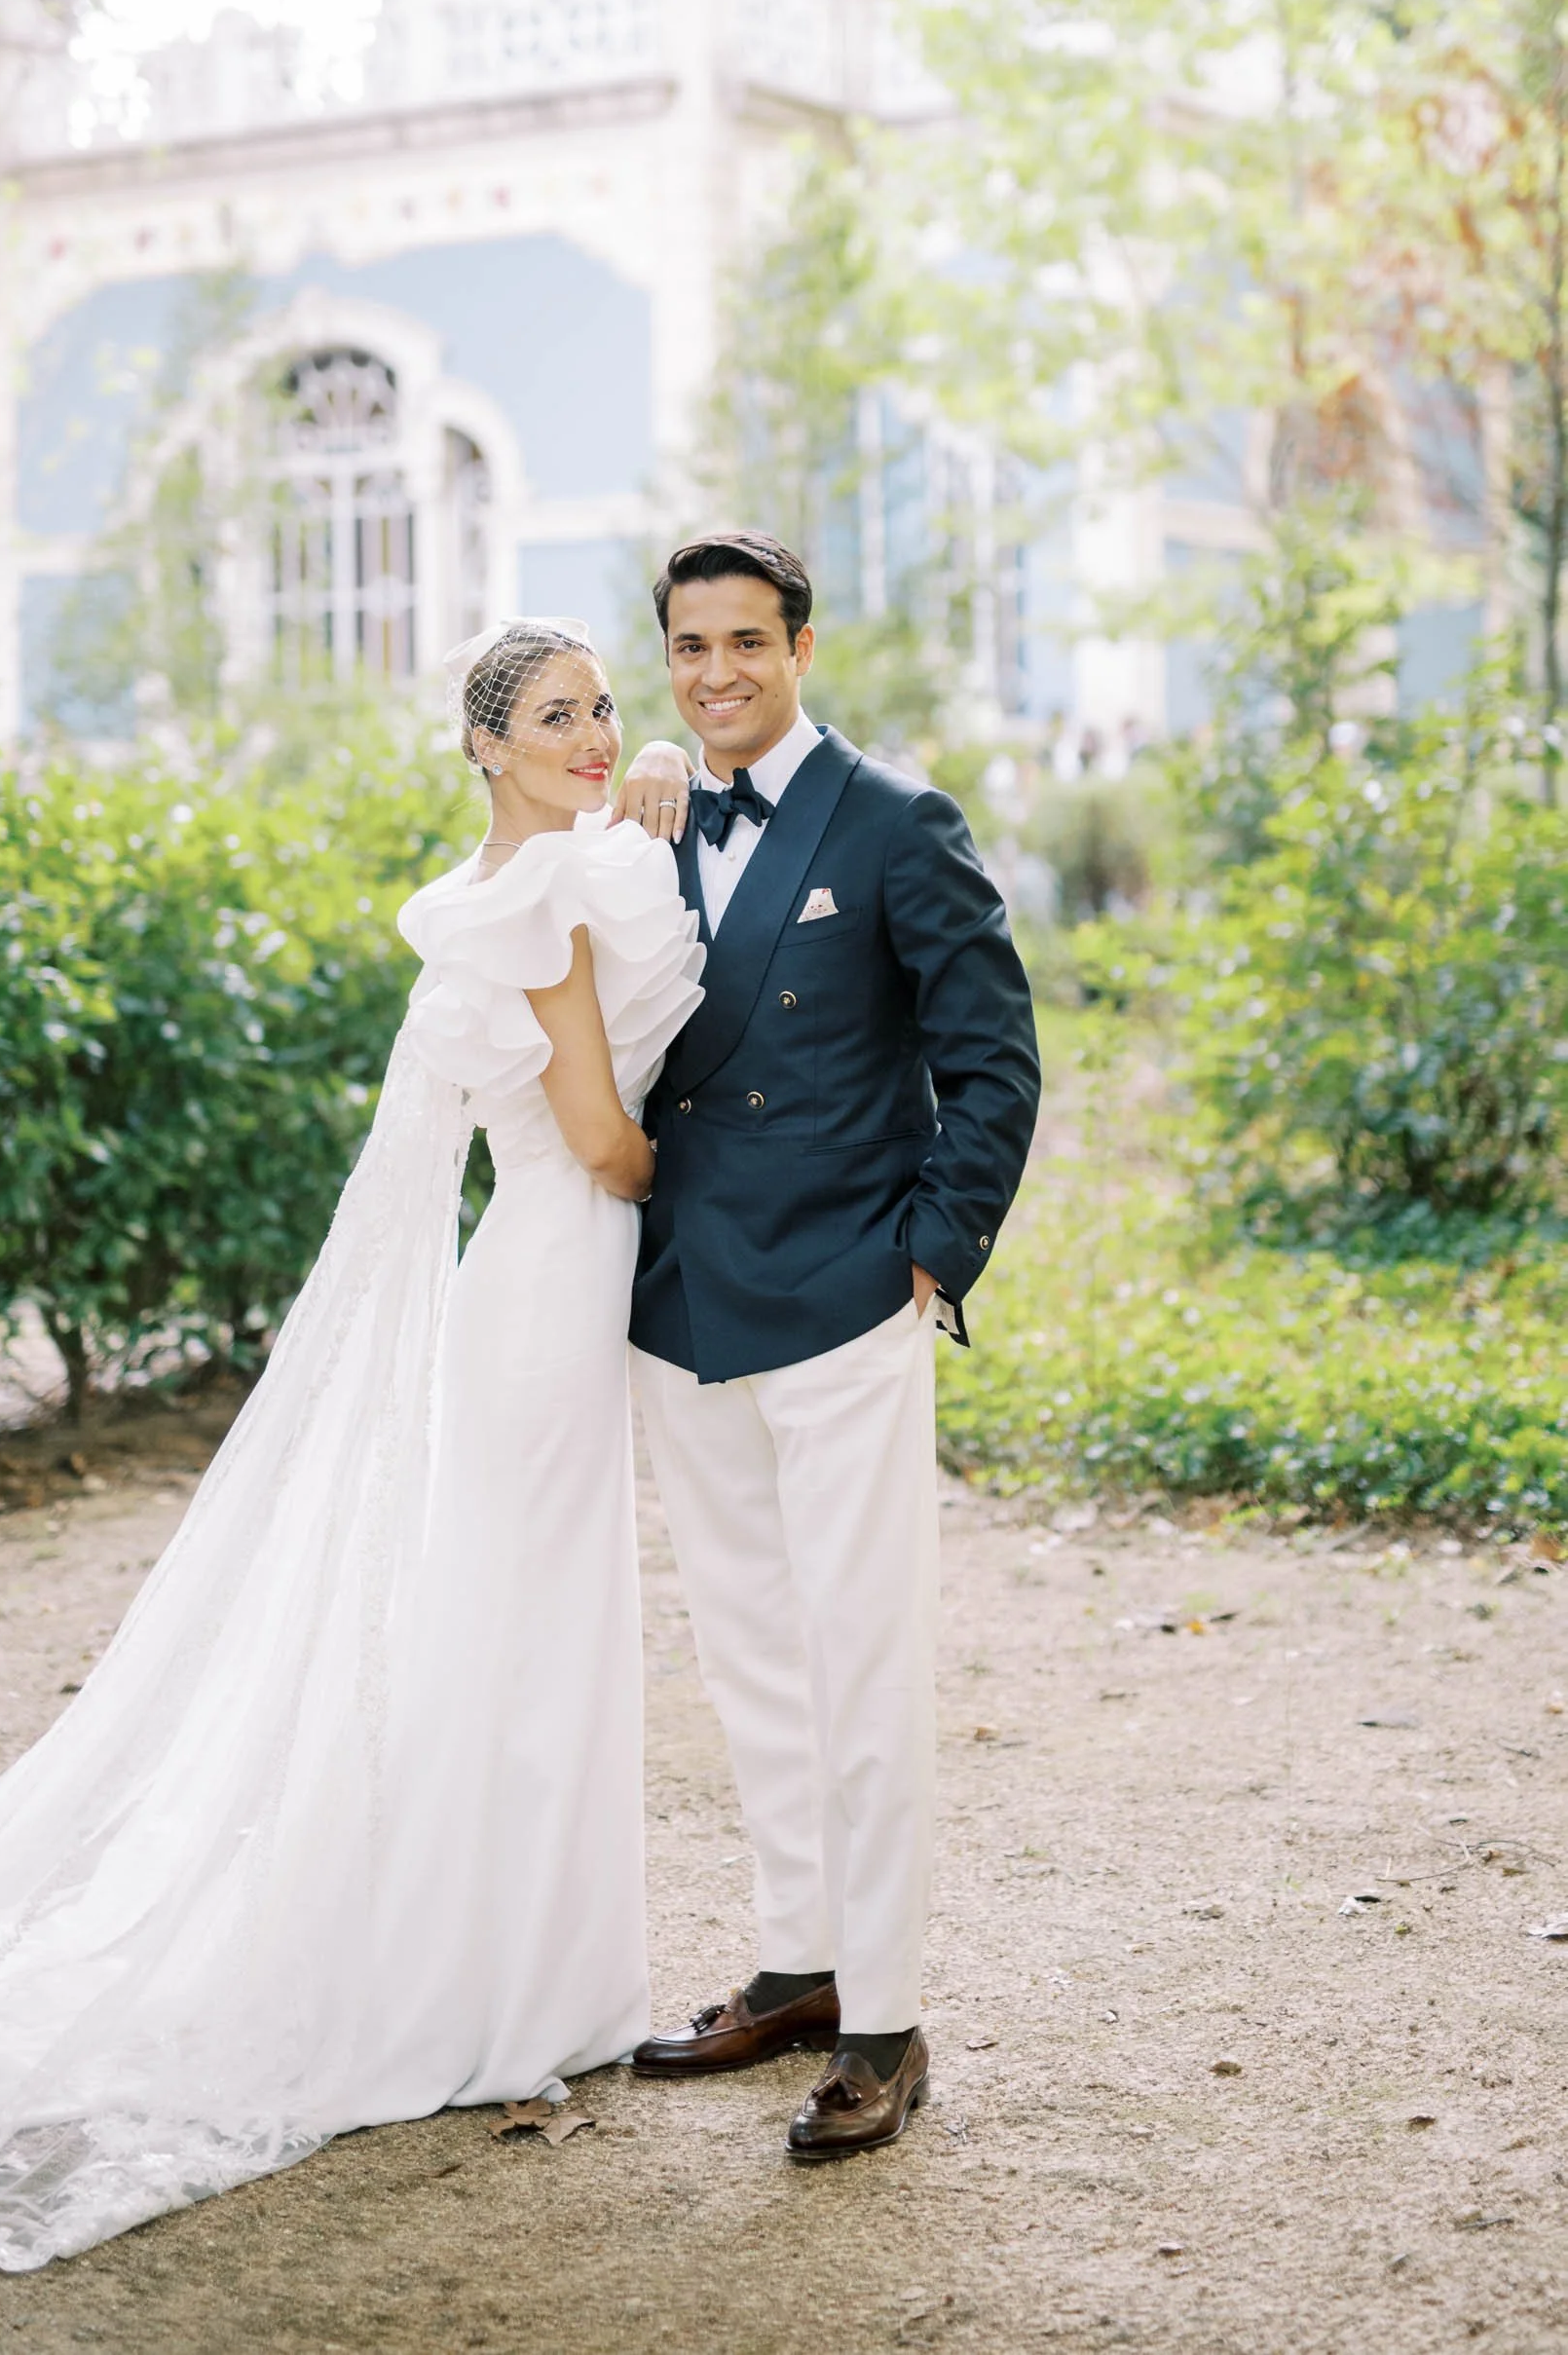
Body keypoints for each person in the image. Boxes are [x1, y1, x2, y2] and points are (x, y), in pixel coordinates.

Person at [0, 619, 704, 2280]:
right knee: (528, 1636)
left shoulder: (535, 876)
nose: (592, 732)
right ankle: (499, 1986)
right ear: (484, 744)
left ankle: (539, 1972)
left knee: (519, 1631)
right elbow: (602, 1136)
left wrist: (656, 800)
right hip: (553, 1274)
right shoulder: (536, 900)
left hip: (531, 1284)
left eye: (602, 706)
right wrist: (697, 1145)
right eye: (554, 715)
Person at [622, 533, 1040, 2160]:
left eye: (743, 642)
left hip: (847, 1299)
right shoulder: (645, 818)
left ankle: (885, 2016)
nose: (715, 673)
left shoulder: (891, 821)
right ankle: (795, 1963)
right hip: (684, 1308)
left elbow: (991, 1056)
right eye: (686, 650)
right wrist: (642, 772)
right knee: (747, 1657)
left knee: (861, 1658)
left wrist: (928, 1256)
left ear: (801, 644)